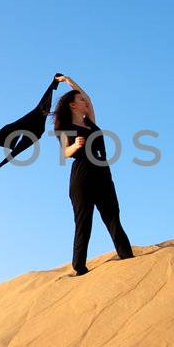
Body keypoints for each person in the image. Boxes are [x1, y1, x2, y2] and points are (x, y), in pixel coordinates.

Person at [52, 74, 133, 276]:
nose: (85, 103)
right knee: (84, 222)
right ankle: (79, 267)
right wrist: (75, 145)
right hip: (82, 175)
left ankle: (127, 257)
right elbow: (64, 152)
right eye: (80, 101)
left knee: (113, 216)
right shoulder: (64, 128)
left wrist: (69, 81)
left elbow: (89, 97)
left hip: (103, 173)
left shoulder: (92, 123)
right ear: (72, 106)